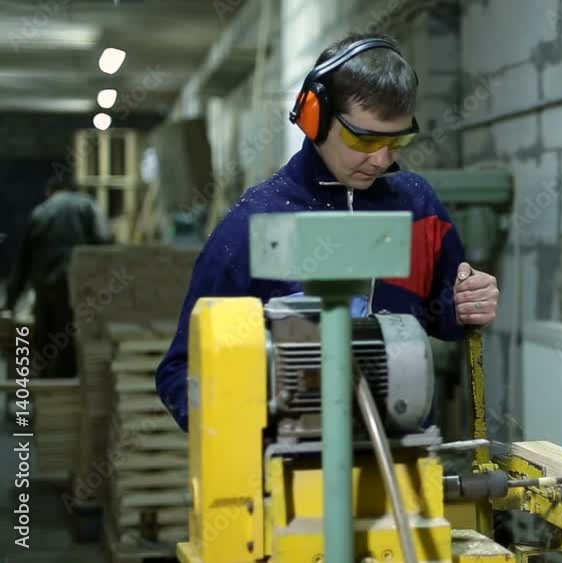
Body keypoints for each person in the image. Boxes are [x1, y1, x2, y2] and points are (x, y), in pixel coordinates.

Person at [155, 33, 501, 432]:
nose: (380, 159)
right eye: (364, 139)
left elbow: (444, 315)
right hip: (290, 473)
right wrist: (235, 432)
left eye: (397, 141)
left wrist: (467, 303)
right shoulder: (254, 225)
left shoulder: (418, 207)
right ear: (314, 116)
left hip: (406, 460)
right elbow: (180, 371)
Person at [2, 176, 112, 380]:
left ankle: (47, 393)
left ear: (49, 192)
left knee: (46, 343)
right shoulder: (88, 206)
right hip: (81, 289)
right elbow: (104, 245)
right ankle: (69, 390)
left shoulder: (40, 212)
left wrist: (9, 303)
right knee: (73, 342)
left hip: (47, 288)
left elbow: (22, 264)